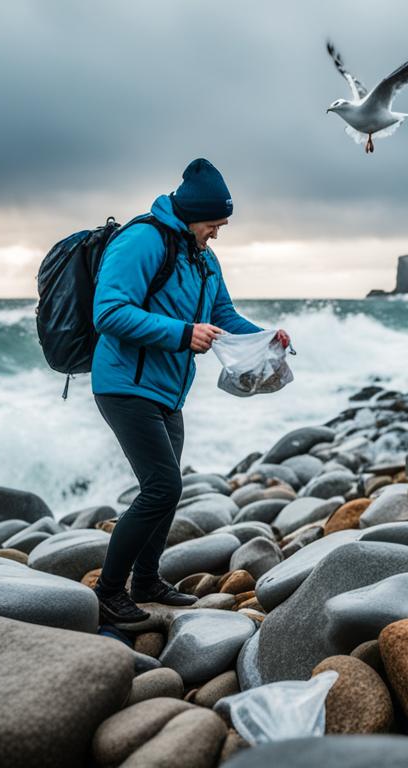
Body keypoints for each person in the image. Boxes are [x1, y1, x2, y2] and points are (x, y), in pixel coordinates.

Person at [91, 158, 290, 624]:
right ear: (191, 214)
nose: (218, 232)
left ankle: (146, 582)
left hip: (166, 390)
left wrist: (267, 339)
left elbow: (223, 315)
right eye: (214, 224)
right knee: (162, 487)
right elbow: (108, 312)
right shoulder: (142, 240)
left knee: (166, 489)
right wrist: (182, 334)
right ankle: (107, 590)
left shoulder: (203, 258)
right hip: (124, 384)